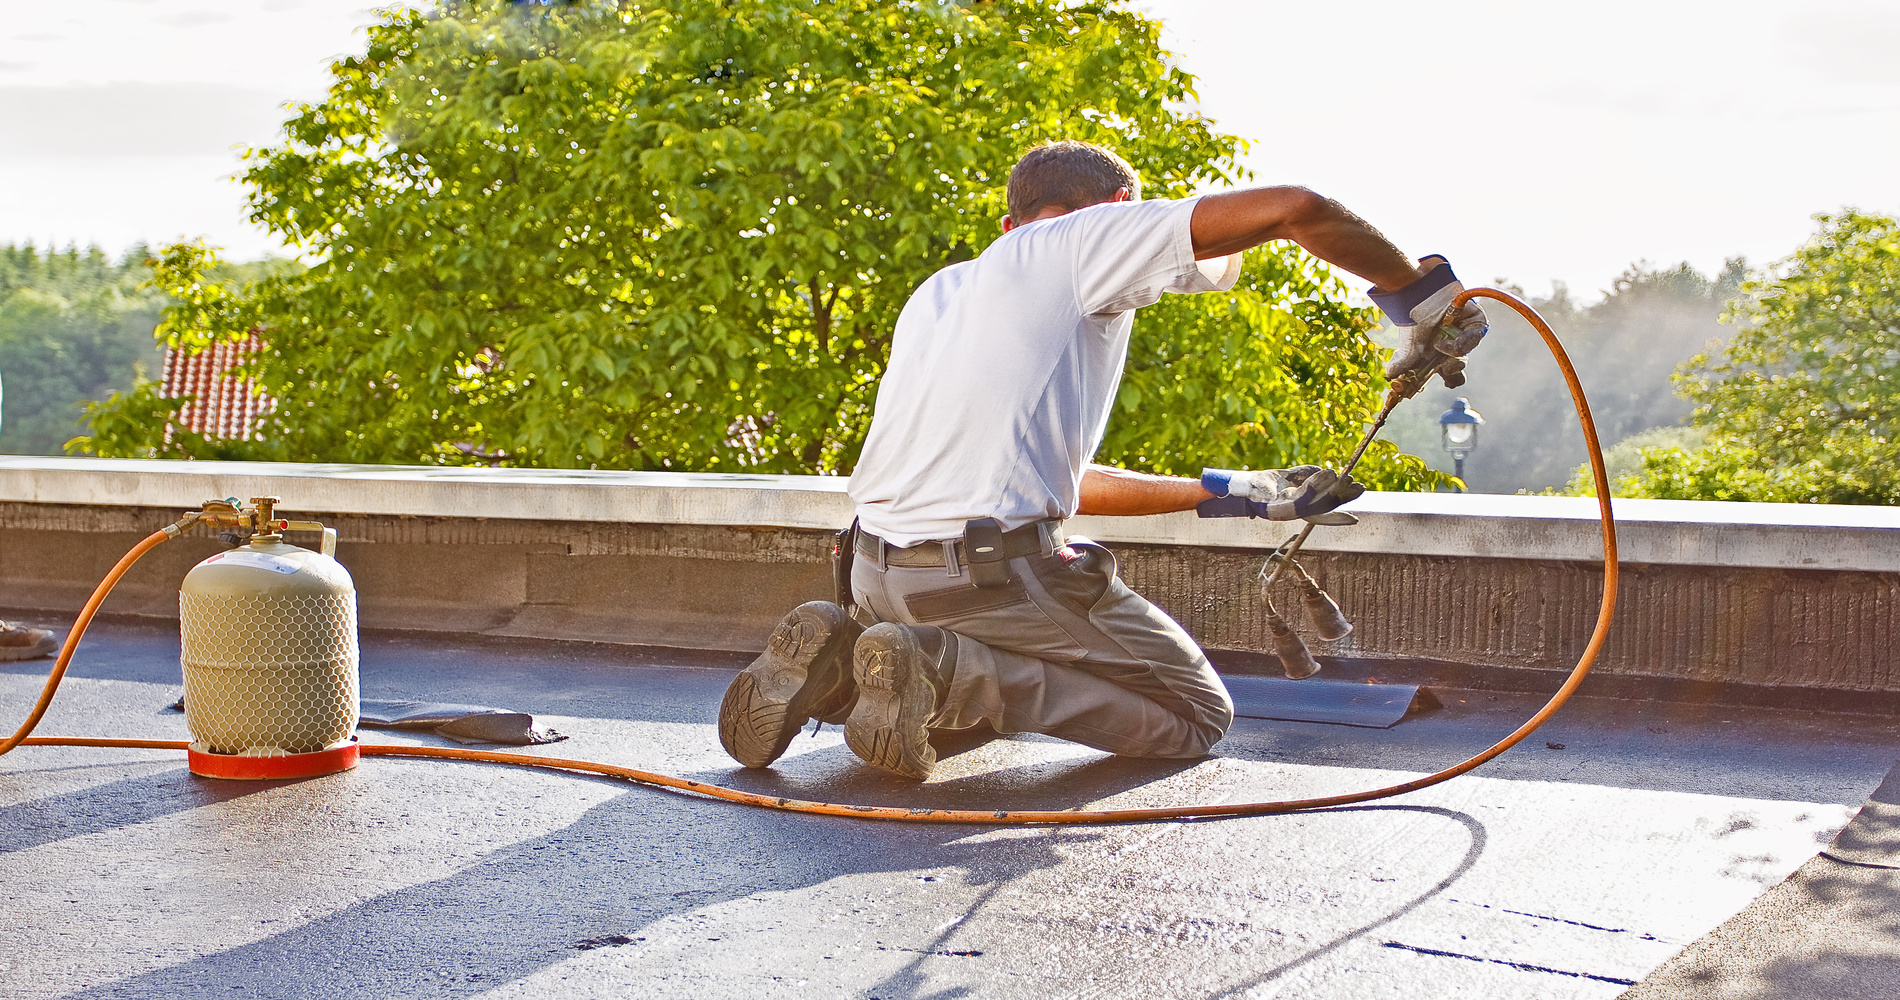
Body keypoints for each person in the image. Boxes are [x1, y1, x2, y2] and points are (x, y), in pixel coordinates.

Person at [717, 140, 1486, 779]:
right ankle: (947, 668)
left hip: (874, 574)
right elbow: (1298, 209)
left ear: (1007, 219)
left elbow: (1059, 483)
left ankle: (847, 668)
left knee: (969, 685)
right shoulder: (1078, 241)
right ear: (1120, 212)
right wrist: (1418, 295)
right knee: (1195, 717)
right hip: (980, 583)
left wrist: (1235, 491)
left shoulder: (944, 292)